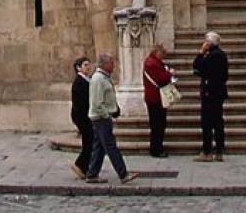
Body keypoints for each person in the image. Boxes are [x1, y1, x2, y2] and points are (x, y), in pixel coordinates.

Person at [83, 53, 134, 184]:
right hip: (100, 118)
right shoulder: (98, 79)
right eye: (111, 63)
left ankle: (92, 173)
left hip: (102, 117)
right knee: (110, 146)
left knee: (99, 147)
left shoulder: (104, 78)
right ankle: (123, 174)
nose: (114, 65)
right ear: (105, 64)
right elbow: (97, 102)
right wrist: (106, 115)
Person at [192, 31, 229, 162]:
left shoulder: (212, 56)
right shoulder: (222, 55)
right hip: (218, 93)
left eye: (206, 41)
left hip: (210, 93)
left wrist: (201, 52)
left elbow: (197, 66)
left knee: (207, 123)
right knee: (218, 122)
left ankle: (207, 151)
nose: (204, 43)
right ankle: (219, 150)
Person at [142, 42, 174, 158]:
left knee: (159, 124)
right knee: (157, 125)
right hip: (155, 98)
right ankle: (156, 149)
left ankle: (157, 147)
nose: (164, 55)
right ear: (157, 52)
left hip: (156, 97)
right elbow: (160, 78)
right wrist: (169, 74)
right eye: (162, 53)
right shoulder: (151, 63)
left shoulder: (154, 62)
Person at [69, 56, 95, 178]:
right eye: (85, 65)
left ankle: (84, 166)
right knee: (88, 141)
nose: (88, 67)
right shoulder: (80, 82)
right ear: (78, 68)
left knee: (89, 141)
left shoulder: (86, 80)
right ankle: (79, 165)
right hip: (82, 116)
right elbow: (81, 102)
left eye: (89, 64)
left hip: (85, 116)